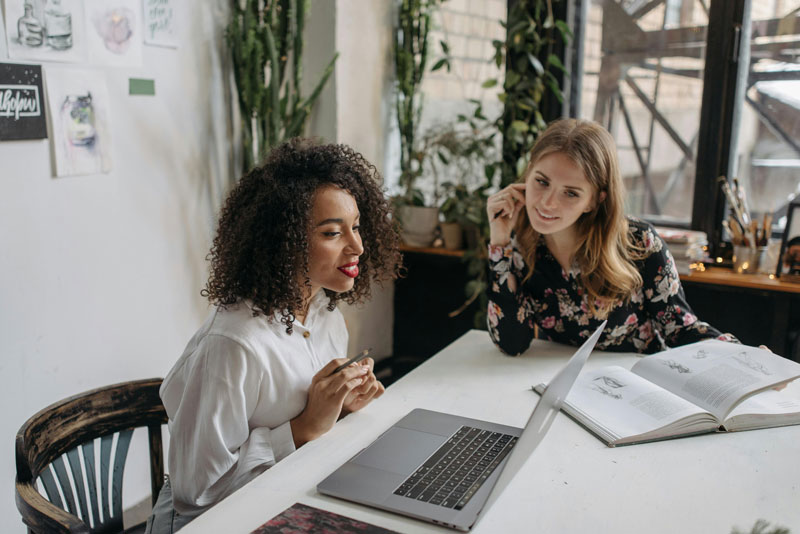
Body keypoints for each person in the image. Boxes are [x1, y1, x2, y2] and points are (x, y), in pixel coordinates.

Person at [146, 139, 402, 533]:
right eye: (333, 233)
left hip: (287, 498)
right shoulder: (233, 344)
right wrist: (305, 428)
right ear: (284, 242)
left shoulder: (326, 315)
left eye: (356, 227)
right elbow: (197, 494)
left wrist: (341, 405)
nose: (358, 247)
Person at [485, 118, 736, 356]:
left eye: (570, 193)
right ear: (528, 174)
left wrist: (743, 357)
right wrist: (499, 243)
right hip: (560, 384)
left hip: (634, 386)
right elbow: (512, 343)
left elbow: (680, 328)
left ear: (595, 200)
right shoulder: (520, 246)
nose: (547, 203)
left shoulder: (640, 242)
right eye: (541, 181)